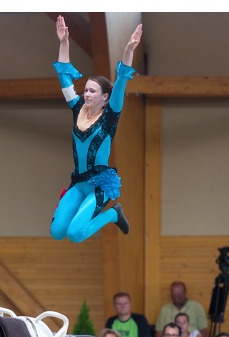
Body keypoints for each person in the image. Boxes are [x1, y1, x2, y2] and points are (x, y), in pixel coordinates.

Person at [50, 16, 142, 242]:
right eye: (86, 90)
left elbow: (121, 80)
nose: (87, 94)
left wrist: (129, 50)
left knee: (74, 234)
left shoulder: (110, 116)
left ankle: (112, 213)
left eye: (92, 91)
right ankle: (105, 212)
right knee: (57, 232)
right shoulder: (77, 108)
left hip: (99, 184)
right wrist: (64, 43)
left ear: (105, 97)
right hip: (78, 182)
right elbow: (64, 78)